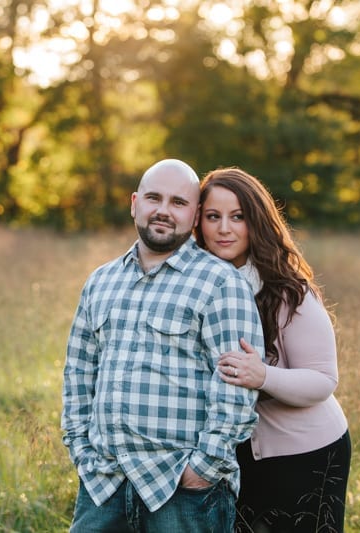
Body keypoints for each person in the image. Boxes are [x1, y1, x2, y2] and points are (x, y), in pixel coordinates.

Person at [61, 159, 266, 532]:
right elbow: (78, 370)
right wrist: (80, 448)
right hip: (103, 482)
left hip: (182, 489)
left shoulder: (220, 284)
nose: (163, 210)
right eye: (154, 198)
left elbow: (235, 386)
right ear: (135, 202)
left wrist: (202, 469)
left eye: (178, 202)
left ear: (194, 215)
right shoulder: (101, 281)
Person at [194, 167, 351, 532]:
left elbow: (323, 380)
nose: (224, 229)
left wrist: (263, 375)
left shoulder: (288, 292)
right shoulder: (194, 289)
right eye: (212, 217)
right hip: (237, 458)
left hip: (307, 454)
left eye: (238, 217)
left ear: (257, 222)